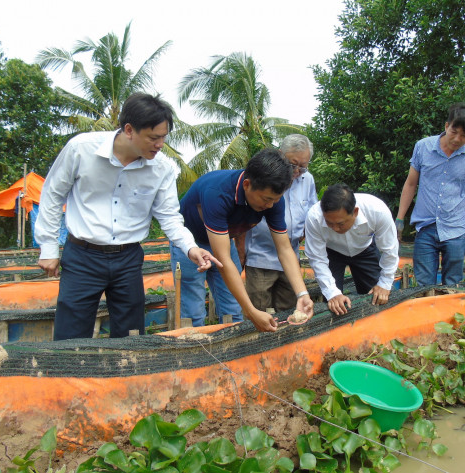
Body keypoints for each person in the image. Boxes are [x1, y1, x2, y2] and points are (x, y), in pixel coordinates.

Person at [35, 93, 220, 340]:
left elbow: (169, 216)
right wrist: (48, 247)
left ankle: (125, 378)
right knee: (71, 334)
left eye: (164, 138)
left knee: (131, 334)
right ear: (129, 129)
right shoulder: (81, 149)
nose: (160, 145)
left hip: (128, 259)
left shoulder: (162, 168)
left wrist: (190, 248)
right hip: (82, 256)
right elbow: (52, 196)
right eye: (154, 138)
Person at [169, 148, 314, 332]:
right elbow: (224, 259)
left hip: (223, 239)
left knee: (233, 309)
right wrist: (252, 312)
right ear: (246, 185)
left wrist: (302, 294)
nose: (269, 206)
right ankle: (195, 357)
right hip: (190, 244)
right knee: (193, 311)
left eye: (275, 200)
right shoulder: (217, 192)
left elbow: (285, 248)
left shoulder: (274, 200)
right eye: (266, 199)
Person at [395, 102, 465, 286]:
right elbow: (411, 184)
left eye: (464, 135)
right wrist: (399, 220)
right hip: (426, 227)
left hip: (455, 228)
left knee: (453, 284)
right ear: (446, 126)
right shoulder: (423, 147)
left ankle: (449, 316)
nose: (457, 139)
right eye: (454, 131)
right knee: (423, 285)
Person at [241, 134, 318, 312]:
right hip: (261, 255)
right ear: (280, 154)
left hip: (291, 256)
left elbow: (313, 212)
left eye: (303, 167)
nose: (297, 171)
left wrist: (304, 234)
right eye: (293, 164)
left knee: (290, 309)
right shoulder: (264, 176)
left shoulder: (308, 180)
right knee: (258, 310)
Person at [304, 184, 399, 315]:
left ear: (355, 212)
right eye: (329, 223)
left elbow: (390, 250)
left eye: (340, 223)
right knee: (334, 305)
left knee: (377, 298)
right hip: (331, 251)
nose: (335, 229)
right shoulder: (314, 217)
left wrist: (385, 283)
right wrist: (333, 293)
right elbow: (317, 259)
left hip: (365, 250)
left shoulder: (377, 211)